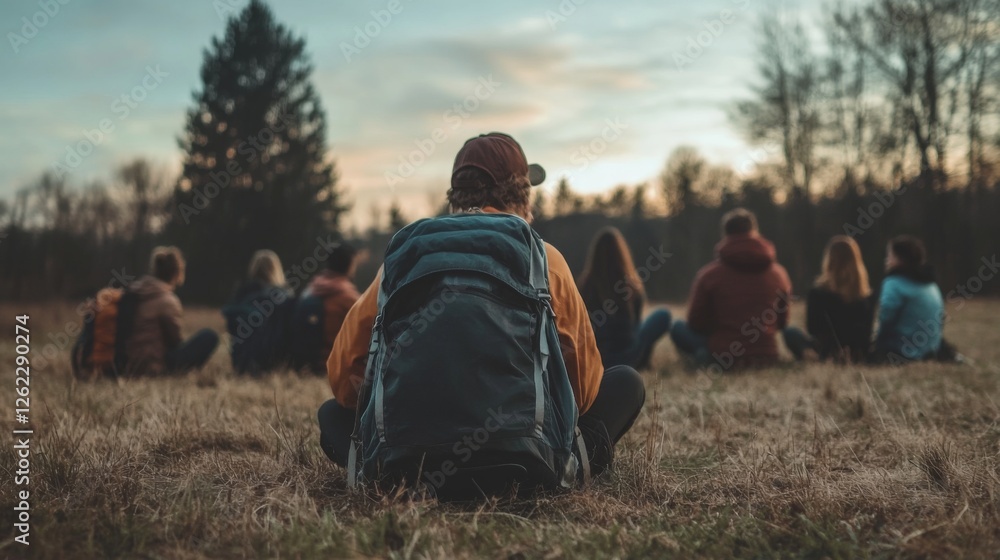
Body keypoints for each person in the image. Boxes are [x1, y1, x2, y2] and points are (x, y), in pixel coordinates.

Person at [317, 132, 645, 493]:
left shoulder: (404, 262)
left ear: (455, 198)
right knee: (626, 383)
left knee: (331, 414)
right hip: (527, 466)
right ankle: (570, 467)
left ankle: (375, 473)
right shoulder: (544, 259)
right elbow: (583, 392)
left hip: (405, 467)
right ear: (520, 196)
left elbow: (343, 379)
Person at [669, 208, 792, 370]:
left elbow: (695, 323)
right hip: (767, 355)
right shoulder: (779, 274)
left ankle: (700, 359)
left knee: (677, 327)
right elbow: (782, 323)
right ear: (755, 232)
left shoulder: (709, 275)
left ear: (725, 235)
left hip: (724, 355)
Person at [577, 227, 671, 369]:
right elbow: (635, 326)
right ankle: (643, 362)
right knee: (663, 315)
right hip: (628, 356)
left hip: (599, 359)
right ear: (622, 254)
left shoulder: (585, 285)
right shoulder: (630, 285)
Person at [126, 246, 219, 375]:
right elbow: (175, 341)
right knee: (209, 336)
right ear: (177, 273)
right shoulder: (167, 300)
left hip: (128, 362)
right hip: (152, 365)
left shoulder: (135, 290)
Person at [222, 250, 296, 375]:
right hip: (272, 364)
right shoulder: (284, 298)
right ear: (277, 270)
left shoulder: (241, 296)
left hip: (241, 364)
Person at [291, 243, 361, 373]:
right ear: (350, 265)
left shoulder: (311, 289)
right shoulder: (349, 297)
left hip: (305, 364)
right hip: (334, 366)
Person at [873, 235, 944, 362]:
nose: (886, 260)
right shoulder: (931, 285)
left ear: (900, 259)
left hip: (900, 352)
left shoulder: (893, 283)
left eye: (890, 256)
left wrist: (874, 344)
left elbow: (885, 320)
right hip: (930, 351)